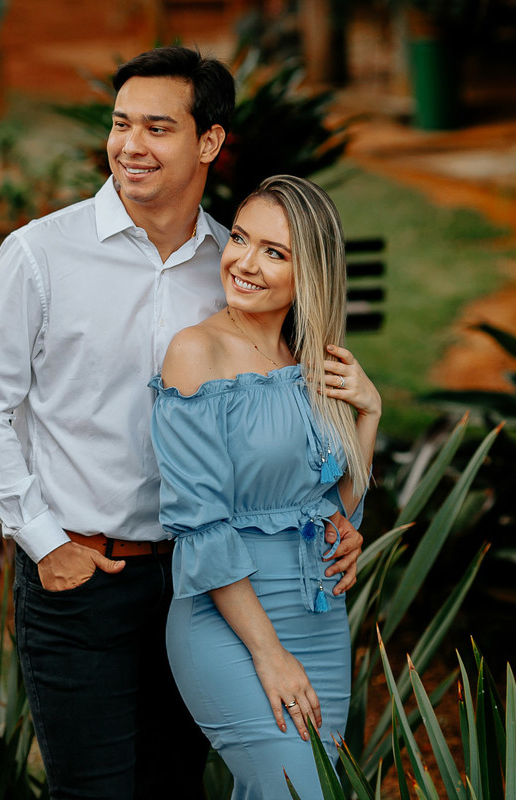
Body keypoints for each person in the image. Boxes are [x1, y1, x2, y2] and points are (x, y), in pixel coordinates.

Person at [0, 48, 363, 799]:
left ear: (208, 142)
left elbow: (288, 413)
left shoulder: (233, 264)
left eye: (157, 127)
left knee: (177, 789)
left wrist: (338, 510)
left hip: (203, 585)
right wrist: (44, 541)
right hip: (84, 578)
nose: (130, 145)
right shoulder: (42, 254)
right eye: (120, 124)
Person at [150, 175, 382, 799]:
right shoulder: (197, 353)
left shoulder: (312, 359)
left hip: (320, 617)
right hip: (231, 623)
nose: (244, 263)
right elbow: (202, 524)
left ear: (310, 273)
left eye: (273, 253)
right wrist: (269, 655)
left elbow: (334, 511)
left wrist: (370, 414)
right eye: (242, 240)